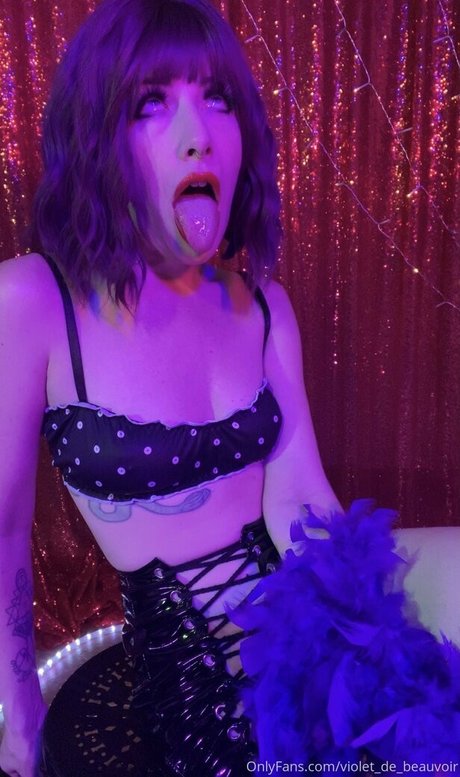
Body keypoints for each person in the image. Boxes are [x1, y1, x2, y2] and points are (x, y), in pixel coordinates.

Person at [0, 0, 341, 775]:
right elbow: (4, 523)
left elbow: (299, 499)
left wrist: (368, 642)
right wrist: (17, 706)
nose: (199, 134)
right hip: (189, 693)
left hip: (302, 652)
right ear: (96, 134)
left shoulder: (264, 306)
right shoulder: (32, 301)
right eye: (150, 104)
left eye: (217, 98)